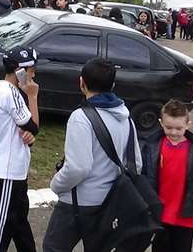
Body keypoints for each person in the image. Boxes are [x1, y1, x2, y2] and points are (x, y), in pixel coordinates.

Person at [42, 58, 141, 251]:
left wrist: (56, 184)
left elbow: (78, 168)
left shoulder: (81, 117)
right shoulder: (126, 117)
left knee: (53, 248)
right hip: (110, 203)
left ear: (81, 82)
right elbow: (136, 164)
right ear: (113, 85)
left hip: (77, 203)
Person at [0, 46, 40, 252]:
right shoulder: (10, 93)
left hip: (16, 168)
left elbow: (30, 132)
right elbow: (33, 126)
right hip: (9, 170)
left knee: (19, 221)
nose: (33, 75)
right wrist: (33, 97)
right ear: (20, 71)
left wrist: (31, 133)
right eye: (31, 70)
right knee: (0, 225)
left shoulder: (12, 92)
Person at [141, 100, 193, 252]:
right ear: (161, 123)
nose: (173, 132)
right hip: (160, 215)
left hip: (185, 217)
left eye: (179, 128)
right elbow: (145, 176)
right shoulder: (152, 146)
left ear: (188, 124)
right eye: (169, 127)